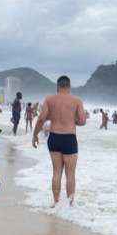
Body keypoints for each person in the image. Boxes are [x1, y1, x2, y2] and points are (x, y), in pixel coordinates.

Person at [33, 75, 87, 206]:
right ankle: (70, 205)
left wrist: (35, 135)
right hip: (69, 138)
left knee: (56, 172)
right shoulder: (77, 100)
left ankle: (56, 203)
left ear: (57, 86)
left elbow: (41, 119)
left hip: (54, 137)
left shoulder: (50, 99)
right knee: (70, 174)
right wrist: (71, 121)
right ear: (70, 86)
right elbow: (83, 121)